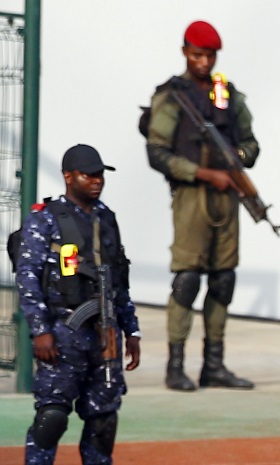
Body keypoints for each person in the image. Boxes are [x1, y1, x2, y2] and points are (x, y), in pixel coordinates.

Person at [144, 20, 259, 391]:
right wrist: (205, 174)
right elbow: (157, 152)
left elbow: (252, 144)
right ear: (185, 52)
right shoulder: (172, 95)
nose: (204, 61)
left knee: (224, 278)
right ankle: (175, 366)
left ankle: (214, 365)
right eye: (198, 54)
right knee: (188, 279)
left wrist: (235, 158)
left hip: (228, 196)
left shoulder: (227, 94)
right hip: (192, 195)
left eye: (210, 55)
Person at [15, 144, 141, 465]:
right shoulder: (44, 220)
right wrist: (40, 331)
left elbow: (119, 279)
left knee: (104, 422)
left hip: (105, 336)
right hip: (62, 332)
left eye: (100, 175)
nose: (97, 181)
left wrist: (132, 330)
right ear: (68, 177)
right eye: (89, 175)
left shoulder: (106, 219)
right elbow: (28, 277)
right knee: (52, 418)